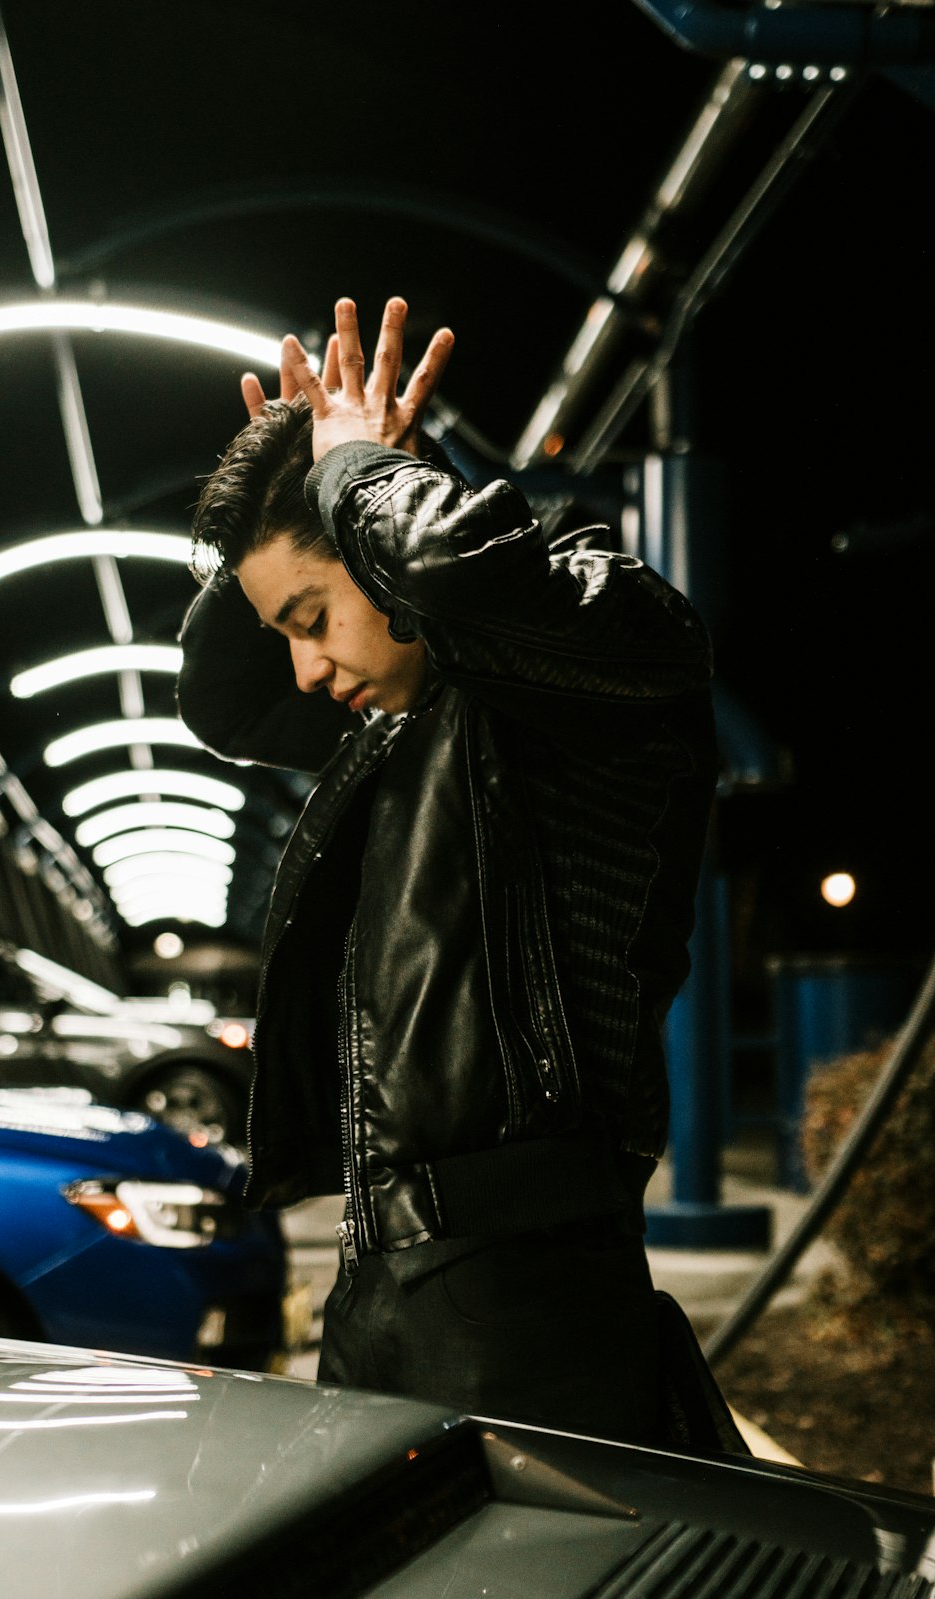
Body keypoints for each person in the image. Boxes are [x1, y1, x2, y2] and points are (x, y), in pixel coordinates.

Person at [177, 296, 720, 1446]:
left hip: (526, 1297)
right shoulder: (411, 725)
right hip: (395, 1280)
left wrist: (355, 470)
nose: (309, 667)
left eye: (315, 616)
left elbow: (459, 573)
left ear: (384, 541)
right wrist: (290, 498)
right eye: (287, 631)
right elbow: (219, 700)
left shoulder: (593, 652)